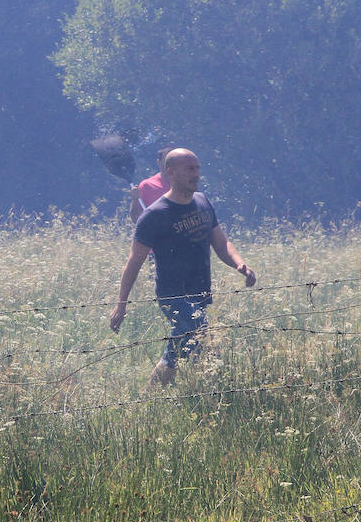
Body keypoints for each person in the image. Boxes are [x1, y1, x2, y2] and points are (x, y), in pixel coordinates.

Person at [109, 148, 256, 386]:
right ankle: (212, 394)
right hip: (173, 295)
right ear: (171, 172)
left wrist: (240, 264)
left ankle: (152, 395)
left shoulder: (203, 202)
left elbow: (221, 243)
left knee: (176, 353)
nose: (196, 174)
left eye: (197, 168)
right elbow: (134, 261)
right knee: (206, 340)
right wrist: (121, 305)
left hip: (200, 291)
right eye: (189, 168)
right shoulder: (155, 215)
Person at [130, 146, 173, 224]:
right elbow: (136, 219)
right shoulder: (147, 186)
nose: (170, 164)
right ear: (159, 162)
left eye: (173, 161)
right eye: (166, 160)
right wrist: (135, 200)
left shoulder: (185, 182)